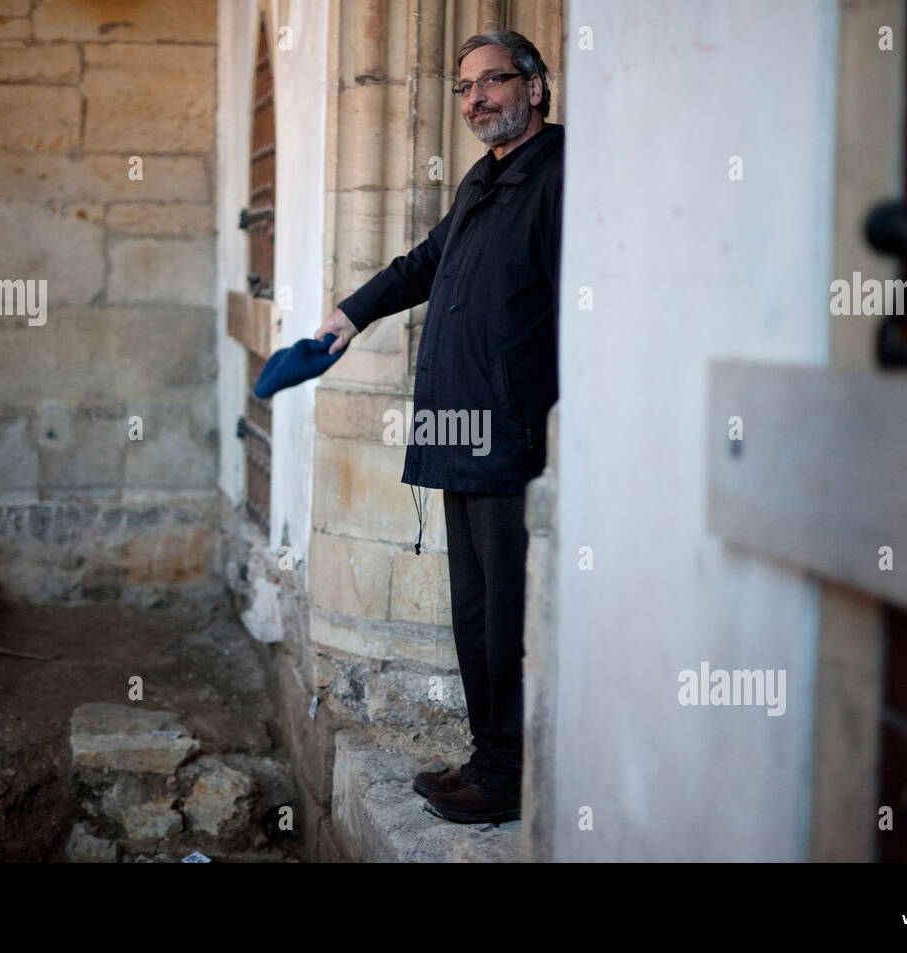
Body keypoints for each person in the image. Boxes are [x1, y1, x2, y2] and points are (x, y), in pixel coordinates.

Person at [313, 30, 563, 825]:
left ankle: (513, 776)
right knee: (473, 612)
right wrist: (353, 313)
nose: (476, 99)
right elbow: (425, 262)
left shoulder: (564, 176)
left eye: (492, 82)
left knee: (508, 618)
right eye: (464, 89)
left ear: (536, 86)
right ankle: (490, 758)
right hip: (460, 429)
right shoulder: (480, 180)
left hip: (515, 435)